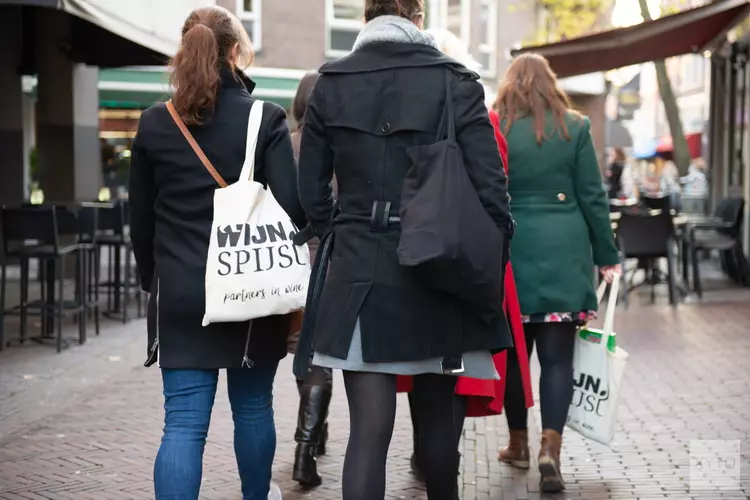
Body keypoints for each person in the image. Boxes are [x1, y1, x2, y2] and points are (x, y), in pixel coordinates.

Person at [297, 1, 514, 499]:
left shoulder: (331, 82)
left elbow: (309, 192)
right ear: (417, 17)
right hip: (441, 266)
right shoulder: (454, 80)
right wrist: (488, 257)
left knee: (367, 435)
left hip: (359, 271)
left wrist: (346, 228)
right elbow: (492, 188)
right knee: (439, 427)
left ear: (366, 17)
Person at [128, 6, 305, 500]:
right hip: (249, 286)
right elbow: (291, 210)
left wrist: (153, 280)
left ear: (185, 50)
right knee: (253, 409)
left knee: (182, 423)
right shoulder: (264, 118)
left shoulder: (154, 123)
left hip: (180, 293)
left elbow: (140, 219)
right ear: (235, 50)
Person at [405, 26, 534, 484]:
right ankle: (442, 460)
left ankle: (428, 455)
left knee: (422, 369)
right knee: (455, 366)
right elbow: (495, 183)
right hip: (468, 255)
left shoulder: (404, 107)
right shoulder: (480, 113)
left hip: (413, 253)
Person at [491, 53, 621, 493]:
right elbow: (592, 196)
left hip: (511, 253)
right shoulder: (576, 127)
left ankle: (518, 444)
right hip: (564, 254)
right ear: (552, 84)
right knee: (558, 360)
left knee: (513, 360)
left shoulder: (496, 125)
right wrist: (606, 254)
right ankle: (551, 448)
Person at [287, 71, 335, 487]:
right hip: (331, 264)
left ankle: (314, 439)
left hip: (285, 264)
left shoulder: (286, 144)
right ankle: (306, 450)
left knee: (304, 356)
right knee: (321, 357)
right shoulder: (341, 147)